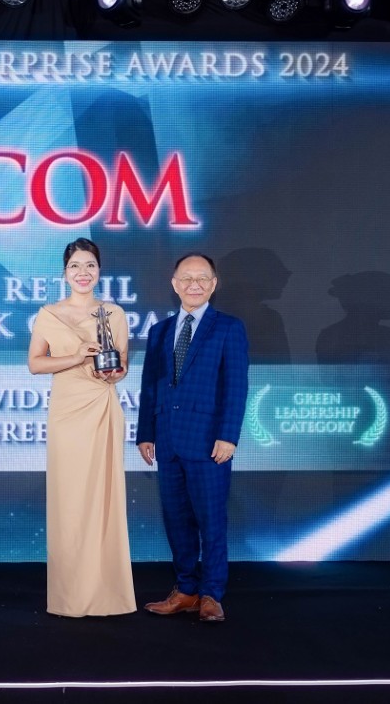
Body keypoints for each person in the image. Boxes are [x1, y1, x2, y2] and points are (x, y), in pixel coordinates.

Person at [136, 253, 248, 623]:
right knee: (176, 519)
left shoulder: (228, 328)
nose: (194, 284)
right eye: (186, 278)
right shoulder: (160, 331)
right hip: (167, 440)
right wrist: (145, 433)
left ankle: (212, 595)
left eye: (202, 278)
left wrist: (228, 436)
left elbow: (236, 386)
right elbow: (150, 386)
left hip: (209, 443)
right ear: (174, 284)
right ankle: (185, 590)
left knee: (211, 521)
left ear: (214, 284)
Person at [28, 238, 136, 617]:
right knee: (69, 499)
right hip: (66, 413)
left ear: (99, 271)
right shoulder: (49, 314)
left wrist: (113, 373)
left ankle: (106, 591)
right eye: (75, 266)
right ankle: (70, 593)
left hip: (101, 407)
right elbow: (35, 363)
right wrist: (75, 357)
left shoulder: (114, 314)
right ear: (64, 273)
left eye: (90, 265)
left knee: (104, 497)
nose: (83, 272)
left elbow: (122, 365)